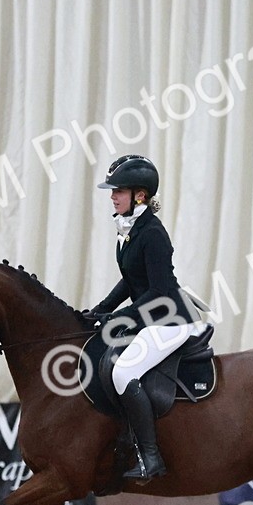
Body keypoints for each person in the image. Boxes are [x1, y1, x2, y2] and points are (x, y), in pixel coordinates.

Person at [84, 154, 203, 482]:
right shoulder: (129, 229)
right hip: (151, 316)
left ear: (140, 195)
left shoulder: (152, 233)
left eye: (118, 191)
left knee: (123, 372)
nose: (112, 196)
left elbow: (160, 290)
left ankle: (150, 457)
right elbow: (131, 279)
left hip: (172, 319)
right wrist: (100, 309)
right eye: (112, 191)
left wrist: (121, 317)